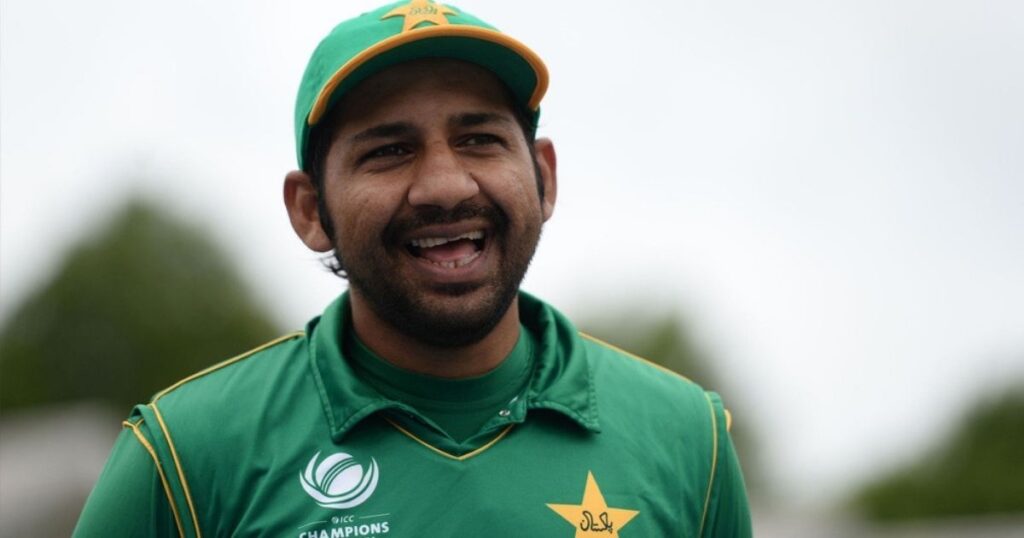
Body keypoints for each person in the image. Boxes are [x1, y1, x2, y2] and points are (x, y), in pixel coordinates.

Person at [75, 1, 752, 536]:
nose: (445, 186)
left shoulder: (689, 438)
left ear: (543, 177)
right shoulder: (185, 456)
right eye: (389, 151)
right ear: (310, 209)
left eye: (479, 139)